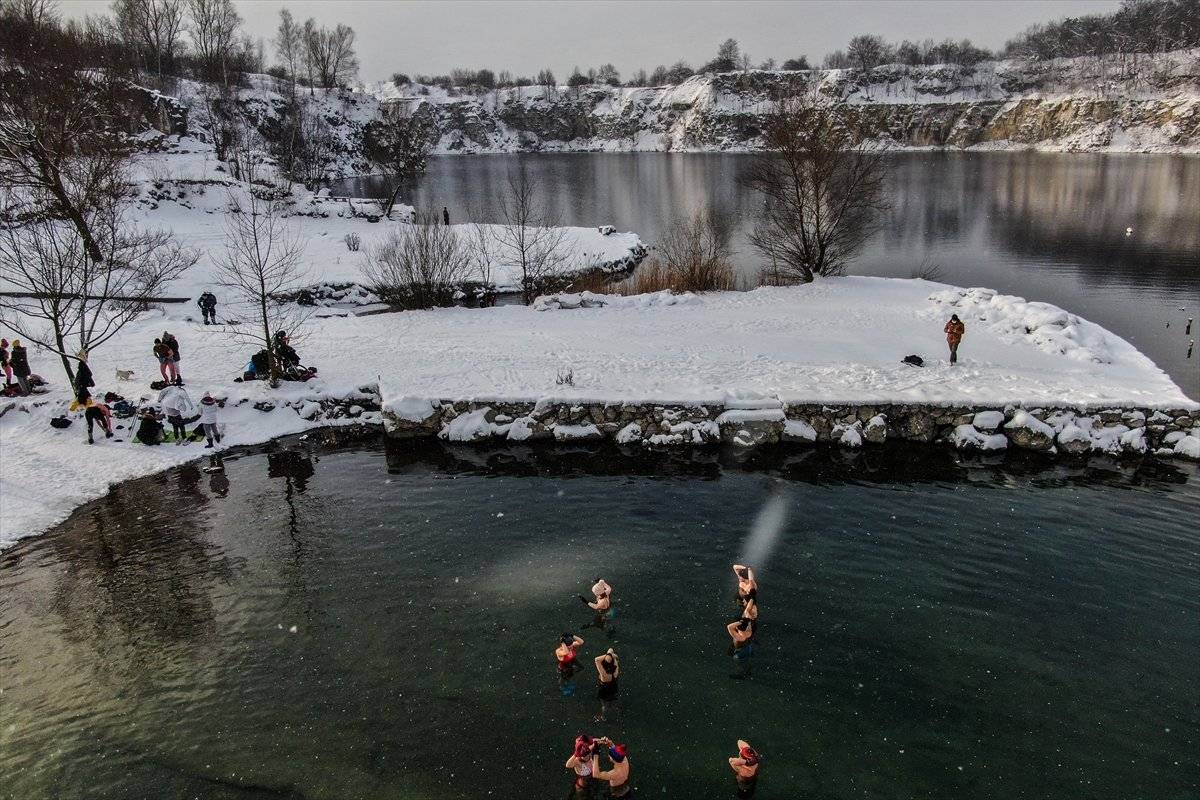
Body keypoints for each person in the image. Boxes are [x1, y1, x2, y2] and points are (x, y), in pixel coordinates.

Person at [565, 735, 597, 799]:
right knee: (582, 795)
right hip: (582, 782)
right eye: (584, 755)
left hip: (591, 777)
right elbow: (567, 765)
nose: (587, 756)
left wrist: (603, 740)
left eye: (588, 754)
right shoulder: (577, 761)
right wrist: (575, 754)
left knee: (593, 793)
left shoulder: (589, 749)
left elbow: (595, 741)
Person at [594, 648, 620, 722]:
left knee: (604, 705)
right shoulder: (615, 671)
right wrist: (611, 656)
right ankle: (612, 706)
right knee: (611, 700)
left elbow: (596, 659)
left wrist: (609, 655)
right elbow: (611, 649)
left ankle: (603, 716)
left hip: (604, 691)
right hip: (613, 688)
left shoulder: (604, 674)